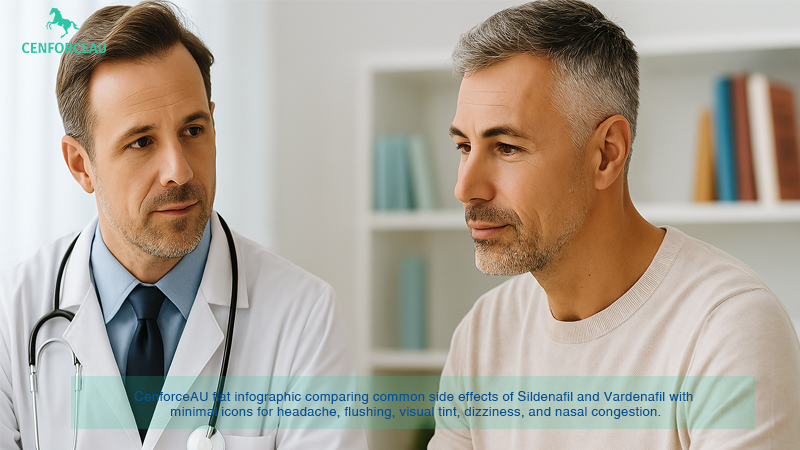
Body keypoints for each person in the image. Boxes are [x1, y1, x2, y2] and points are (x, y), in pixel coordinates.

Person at [429, 0, 800, 448]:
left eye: (506, 147)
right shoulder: (484, 332)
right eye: (464, 147)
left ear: (606, 153)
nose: (466, 188)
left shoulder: (728, 327)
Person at [0, 2, 367, 449]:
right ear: (81, 165)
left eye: (194, 130)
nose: (180, 171)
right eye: (141, 142)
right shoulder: (12, 315)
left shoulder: (304, 317)